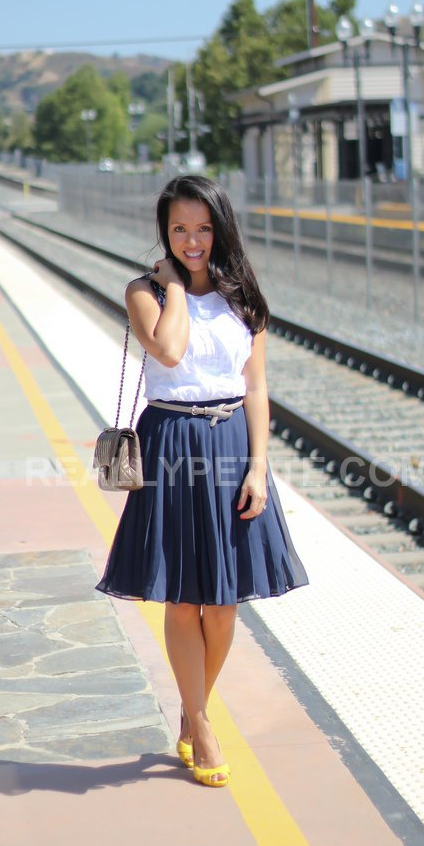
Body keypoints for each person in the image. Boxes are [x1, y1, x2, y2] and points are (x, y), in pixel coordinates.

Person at [96, 174, 308, 788]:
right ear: (164, 231)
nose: (192, 240)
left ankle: (192, 713)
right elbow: (167, 351)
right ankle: (202, 726)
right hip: (171, 442)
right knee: (184, 599)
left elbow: (257, 385)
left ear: (221, 229)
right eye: (180, 229)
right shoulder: (145, 292)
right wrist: (173, 286)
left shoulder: (243, 295)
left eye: (203, 228)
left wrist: (260, 466)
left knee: (221, 604)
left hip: (231, 444)